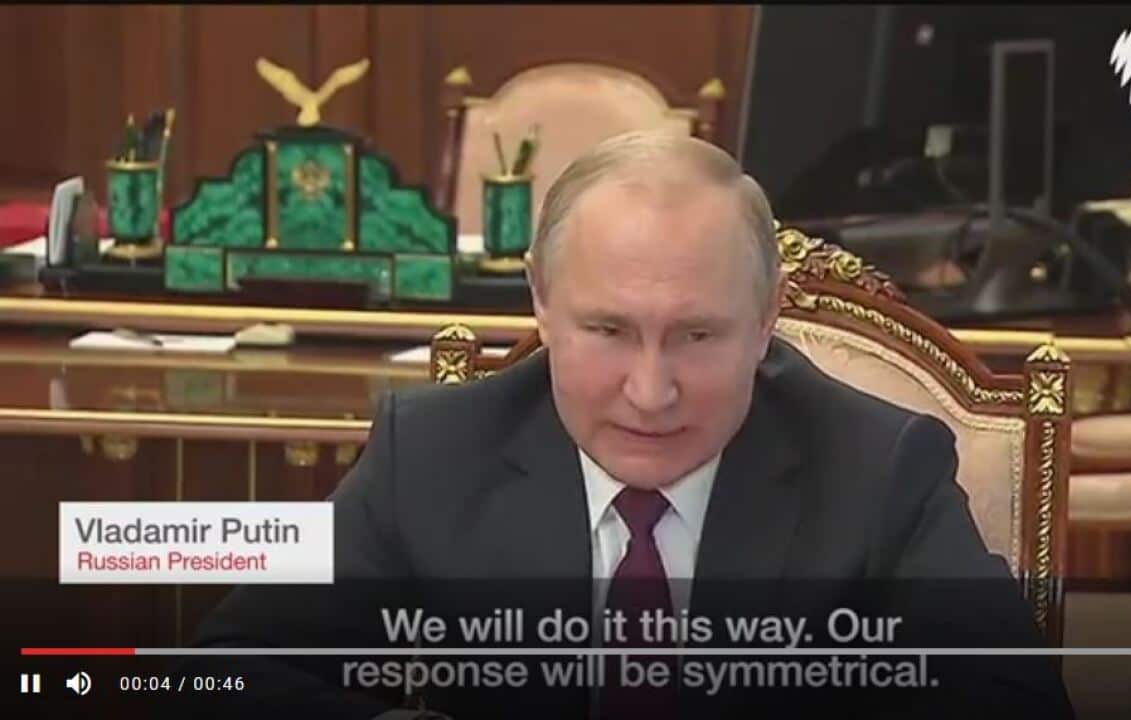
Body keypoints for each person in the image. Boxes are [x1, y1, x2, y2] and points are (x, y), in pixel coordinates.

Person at [181, 130, 1072, 719]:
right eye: (608, 331)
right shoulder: (435, 451)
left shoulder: (879, 468)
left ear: (767, 317)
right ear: (540, 300)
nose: (650, 392)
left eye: (697, 336)